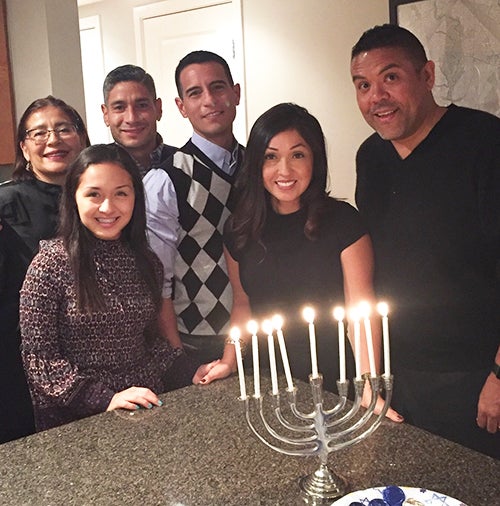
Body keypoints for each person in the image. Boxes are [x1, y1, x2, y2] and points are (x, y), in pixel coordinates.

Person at [193, 102, 401, 418]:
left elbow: (362, 310)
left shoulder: (343, 223)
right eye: (271, 157)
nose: (285, 170)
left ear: (315, 160)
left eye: (298, 155)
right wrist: (229, 360)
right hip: (265, 379)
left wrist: (369, 386)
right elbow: (243, 304)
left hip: (332, 377)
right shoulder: (239, 229)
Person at [351, 24, 500, 458]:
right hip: (399, 375)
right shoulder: (370, 157)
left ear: (427, 75)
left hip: (476, 376)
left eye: (390, 78)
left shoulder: (485, 142)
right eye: (363, 85)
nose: (376, 96)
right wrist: (372, 376)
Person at [19, 144, 196, 431]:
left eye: (121, 194)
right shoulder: (50, 264)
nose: (108, 207)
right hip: (80, 426)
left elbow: (150, 344)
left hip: (147, 410)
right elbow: (41, 362)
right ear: (74, 197)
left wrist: (191, 372)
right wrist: (106, 399)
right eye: (94, 194)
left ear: (135, 198)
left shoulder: (146, 261)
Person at [144, 50, 244, 364]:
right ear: (181, 106)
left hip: (263, 330)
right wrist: (178, 357)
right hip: (199, 342)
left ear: (235, 93)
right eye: (194, 92)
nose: (209, 100)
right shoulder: (166, 179)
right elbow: (158, 280)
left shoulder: (262, 166)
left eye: (218, 87)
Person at [0, 96, 89, 443]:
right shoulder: (7, 201)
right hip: (22, 352)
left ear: (81, 137)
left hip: (91, 346)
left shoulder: (99, 194)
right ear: (24, 148)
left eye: (64, 129)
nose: (53, 140)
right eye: (39, 133)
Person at [101, 64, 176, 177]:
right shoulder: (95, 171)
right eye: (119, 108)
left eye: (141, 105)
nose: (132, 118)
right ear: (106, 114)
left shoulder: (186, 165)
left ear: (158, 108)